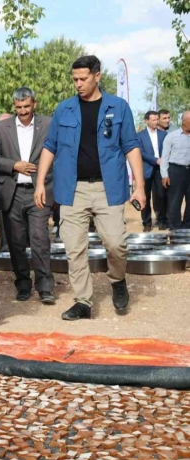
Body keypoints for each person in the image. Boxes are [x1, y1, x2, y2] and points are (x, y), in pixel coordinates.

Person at [34, 55, 145, 321]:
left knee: (116, 243)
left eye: (83, 79)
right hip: (72, 189)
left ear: (97, 76)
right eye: (75, 79)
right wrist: (40, 182)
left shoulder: (118, 108)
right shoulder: (64, 109)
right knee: (74, 248)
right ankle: (83, 301)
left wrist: (139, 186)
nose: (78, 84)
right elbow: (50, 146)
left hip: (108, 188)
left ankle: (118, 280)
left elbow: (130, 145)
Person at [0, 87, 55, 304]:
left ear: (35, 104)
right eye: (19, 107)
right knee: (15, 242)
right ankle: (22, 284)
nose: (23, 111)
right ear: (14, 106)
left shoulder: (48, 125)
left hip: (39, 192)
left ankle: (45, 286)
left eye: (26, 107)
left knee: (40, 240)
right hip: (12, 193)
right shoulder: (1, 128)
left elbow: (56, 153)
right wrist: (14, 165)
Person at [138, 111, 168, 231]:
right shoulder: (139, 135)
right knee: (144, 197)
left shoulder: (163, 134)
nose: (156, 122)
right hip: (146, 169)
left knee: (161, 195)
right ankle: (146, 222)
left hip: (160, 169)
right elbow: (140, 152)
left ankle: (161, 220)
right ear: (147, 121)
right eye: (154, 120)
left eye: (157, 119)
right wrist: (156, 160)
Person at [160, 111, 190, 230]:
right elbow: (165, 157)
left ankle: (187, 227)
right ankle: (175, 229)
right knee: (174, 202)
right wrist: (164, 175)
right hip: (176, 171)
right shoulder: (171, 136)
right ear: (184, 121)